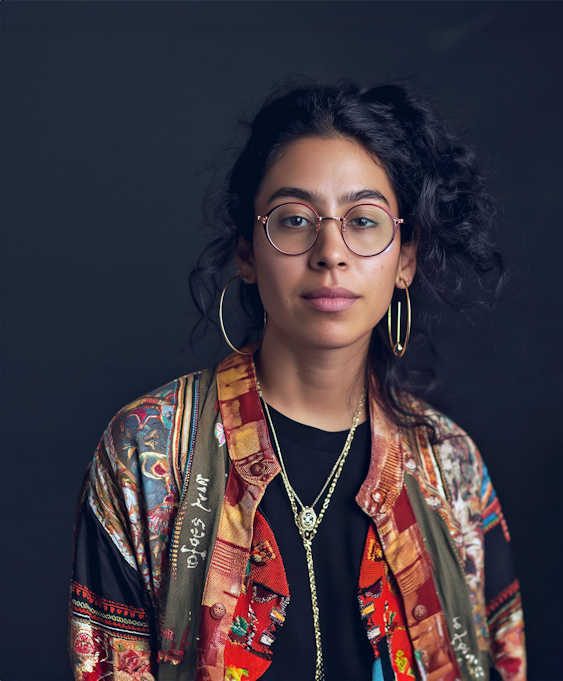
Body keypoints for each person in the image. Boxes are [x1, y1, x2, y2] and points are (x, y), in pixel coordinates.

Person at [68, 81, 526, 681]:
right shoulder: (147, 450)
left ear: (405, 258)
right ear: (247, 253)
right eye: (293, 220)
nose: (330, 251)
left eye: (364, 220)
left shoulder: (454, 468)